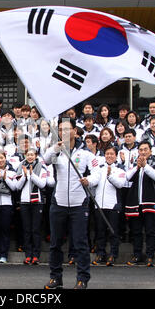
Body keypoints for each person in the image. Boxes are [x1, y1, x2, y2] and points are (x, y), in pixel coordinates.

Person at [43, 117, 98, 290]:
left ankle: (82, 279)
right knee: (56, 243)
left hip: (79, 203)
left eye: (67, 129)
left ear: (75, 131)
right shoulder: (57, 150)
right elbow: (45, 160)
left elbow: (97, 173)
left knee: (80, 243)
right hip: (58, 202)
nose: (64, 132)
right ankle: (55, 277)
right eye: (60, 129)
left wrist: (88, 180)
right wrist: (55, 148)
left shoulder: (86, 152)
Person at [125, 141, 155, 267]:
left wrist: (145, 166)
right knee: (136, 231)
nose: (143, 152)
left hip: (150, 202)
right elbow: (127, 177)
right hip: (135, 202)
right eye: (140, 150)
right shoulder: (134, 164)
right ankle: (137, 255)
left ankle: (150, 256)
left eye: (145, 149)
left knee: (150, 231)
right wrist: (137, 167)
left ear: (150, 151)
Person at [87, 146, 126, 266]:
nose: (109, 156)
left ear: (116, 156)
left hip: (113, 205)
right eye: (107, 154)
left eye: (112, 154)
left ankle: (113, 255)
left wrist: (110, 176)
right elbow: (94, 182)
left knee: (113, 231)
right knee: (100, 231)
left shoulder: (120, 170)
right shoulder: (99, 169)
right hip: (99, 205)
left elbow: (120, 184)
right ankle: (101, 254)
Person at [15, 148, 48, 265]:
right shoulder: (20, 167)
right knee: (27, 229)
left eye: (32, 155)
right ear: (25, 155)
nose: (30, 157)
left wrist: (31, 174)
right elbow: (17, 186)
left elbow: (42, 184)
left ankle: (36, 255)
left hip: (37, 202)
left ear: (36, 156)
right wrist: (24, 175)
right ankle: (28, 255)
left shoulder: (41, 167)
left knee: (35, 230)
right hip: (24, 202)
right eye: (28, 154)